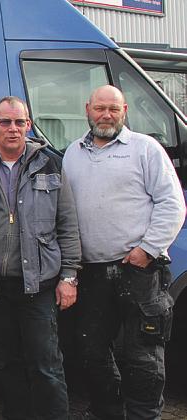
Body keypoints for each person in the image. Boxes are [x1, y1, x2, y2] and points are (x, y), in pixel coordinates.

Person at [63, 85, 185, 420]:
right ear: (87, 109)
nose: (106, 115)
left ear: (125, 110)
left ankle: (145, 415)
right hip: (93, 273)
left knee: (142, 354)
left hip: (139, 271)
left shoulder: (145, 149)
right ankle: (109, 412)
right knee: (90, 350)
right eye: (100, 108)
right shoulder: (73, 153)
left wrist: (147, 250)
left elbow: (172, 204)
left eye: (113, 109)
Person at [0, 96, 81, 420]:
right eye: (5, 122)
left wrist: (69, 277)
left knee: (46, 364)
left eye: (20, 122)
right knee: (6, 364)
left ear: (29, 125)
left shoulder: (50, 164)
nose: (13, 129)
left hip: (40, 285)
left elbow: (68, 225)